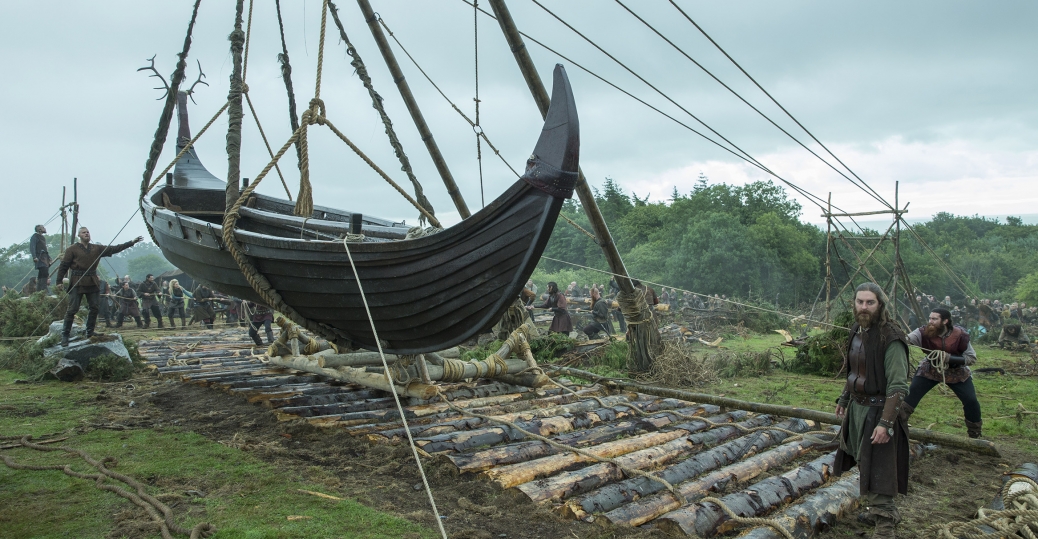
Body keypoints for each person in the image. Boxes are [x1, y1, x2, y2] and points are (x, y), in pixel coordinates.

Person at [834, 282, 911, 539]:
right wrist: (844, 399)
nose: (864, 307)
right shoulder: (857, 330)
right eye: (860, 302)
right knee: (861, 459)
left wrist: (886, 423)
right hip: (858, 410)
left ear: (880, 305)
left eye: (870, 302)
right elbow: (854, 371)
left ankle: (885, 526)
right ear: (853, 304)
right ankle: (877, 512)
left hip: (879, 412)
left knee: (880, 468)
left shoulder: (892, 338)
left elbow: (898, 386)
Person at [903, 307, 982, 438]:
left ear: (945, 321)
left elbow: (971, 358)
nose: (930, 322)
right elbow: (906, 339)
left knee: (971, 401)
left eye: (934, 319)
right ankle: (898, 424)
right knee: (910, 397)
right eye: (930, 318)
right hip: (930, 369)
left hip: (957, 372)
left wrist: (949, 358)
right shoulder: (923, 332)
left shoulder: (960, 335)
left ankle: (975, 434)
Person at [55, 228, 142, 346]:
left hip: (92, 281)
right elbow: (64, 265)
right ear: (79, 235)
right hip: (77, 281)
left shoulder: (96, 248)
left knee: (94, 308)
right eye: (84, 232)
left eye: (88, 232)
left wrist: (131, 242)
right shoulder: (72, 249)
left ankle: (90, 332)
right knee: (72, 309)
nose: (86, 233)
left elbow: (114, 248)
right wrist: (59, 281)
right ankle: (65, 336)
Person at [29, 225, 51, 294]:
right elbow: (32, 247)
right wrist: (34, 256)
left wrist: (49, 257)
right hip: (40, 257)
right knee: (44, 272)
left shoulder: (42, 237)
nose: (45, 228)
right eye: (43, 227)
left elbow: (44, 248)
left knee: (42, 274)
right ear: (40, 229)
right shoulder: (35, 237)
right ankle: (43, 290)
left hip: (45, 257)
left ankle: (40, 291)